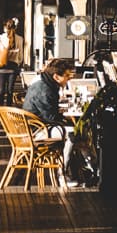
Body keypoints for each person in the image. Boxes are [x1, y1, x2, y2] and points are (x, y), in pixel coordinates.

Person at [23, 57, 82, 187]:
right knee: (73, 133)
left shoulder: (44, 83)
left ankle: (73, 170)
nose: (69, 79)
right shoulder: (45, 89)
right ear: (56, 76)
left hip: (36, 126)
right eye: (66, 76)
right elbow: (50, 117)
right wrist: (63, 119)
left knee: (73, 129)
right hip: (38, 131)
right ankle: (63, 174)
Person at [0, 18, 26, 106]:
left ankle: (1, 107)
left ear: (5, 28)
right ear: (15, 28)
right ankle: (8, 108)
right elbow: (21, 55)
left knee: (1, 89)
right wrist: (18, 62)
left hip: (2, 67)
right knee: (10, 90)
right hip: (13, 67)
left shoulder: (0, 38)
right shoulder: (20, 39)